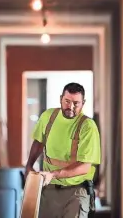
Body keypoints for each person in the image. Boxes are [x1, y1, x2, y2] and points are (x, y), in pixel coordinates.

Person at [25, 82, 101, 218]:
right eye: (67, 101)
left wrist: (53, 174)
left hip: (76, 191)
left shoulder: (87, 127)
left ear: (83, 103)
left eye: (76, 103)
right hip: (48, 191)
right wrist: (29, 165)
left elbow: (85, 167)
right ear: (61, 98)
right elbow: (38, 142)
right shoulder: (48, 117)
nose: (70, 107)